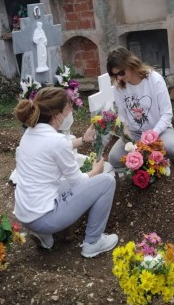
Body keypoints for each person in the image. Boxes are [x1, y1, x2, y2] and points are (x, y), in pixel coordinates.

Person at [13, 87, 118, 258]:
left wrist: (83, 140)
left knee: (59, 184)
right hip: (45, 218)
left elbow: (52, 149)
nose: (71, 111)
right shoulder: (56, 141)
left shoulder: (30, 134)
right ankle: (93, 242)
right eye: (69, 108)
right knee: (107, 182)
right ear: (56, 114)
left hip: (25, 214)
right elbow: (78, 182)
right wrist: (95, 171)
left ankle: (45, 237)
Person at [106, 46, 174, 168]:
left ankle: (156, 158)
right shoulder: (118, 87)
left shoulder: (154, 79)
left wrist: (152, 134)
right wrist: (125, 130)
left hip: (159, 131)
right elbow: (122, 113)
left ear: (130, 64)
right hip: (134, 134)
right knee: (113, 159)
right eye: (115, 75)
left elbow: (167, 113)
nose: (119, 78)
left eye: (121, 73)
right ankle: (148, 158)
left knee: (172, 148)